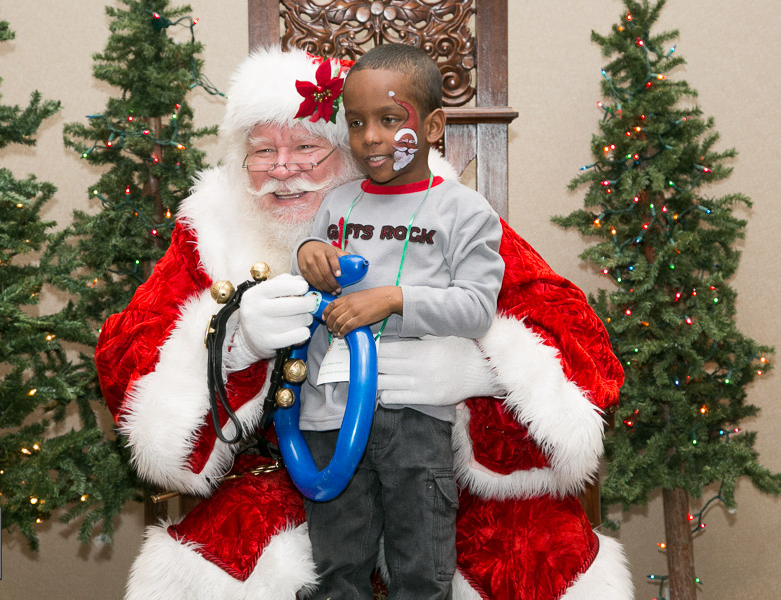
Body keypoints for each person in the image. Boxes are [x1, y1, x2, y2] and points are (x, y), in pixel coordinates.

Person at [94, 46, 633, 600]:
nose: (283, 168)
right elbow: (124, 355)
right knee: (221, 561)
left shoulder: (450, 208)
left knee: (532, 553)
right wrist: (231, 342)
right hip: (293, 463)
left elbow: (573, 332)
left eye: (306, 147)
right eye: (263, 150)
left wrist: (480, 373)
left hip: (430, 449)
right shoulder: (211, 232)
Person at [292, 43, 504, 599]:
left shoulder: (465, 211)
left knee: (421, 573)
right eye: (356, 122)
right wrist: (307, 253)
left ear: (432, 126)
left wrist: (392, 300)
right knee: (335, 573)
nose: (370, 138)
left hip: (413, 419)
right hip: (329, 415)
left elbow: (477, 308)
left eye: (390, 120)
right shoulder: (335, 205)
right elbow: (304, 293)